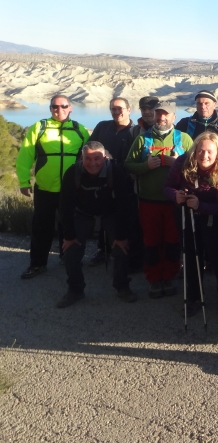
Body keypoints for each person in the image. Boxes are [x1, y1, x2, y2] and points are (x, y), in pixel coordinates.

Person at [164, 132, 218, 320]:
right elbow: (167, 186)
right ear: (195, 150)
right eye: (201, 151)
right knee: (190, 255)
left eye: (210, 152)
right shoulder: (182, 162)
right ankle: (194, 298)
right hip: (185, 214)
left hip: (212, 216)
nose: (205, 156)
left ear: (217, 153)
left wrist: (201, 205)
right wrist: (176, 196)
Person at [15, 94, 90, 279]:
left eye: (63, 106)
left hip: (72, 189)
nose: (59, 110)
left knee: (70, 225)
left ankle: (69, 258)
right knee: (41, 228)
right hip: (45, 187)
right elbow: (25, 155)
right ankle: (38, 264)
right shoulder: (39, 128)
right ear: (50, 109)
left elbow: (89, 159)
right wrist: (24, 181)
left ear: (70, 108)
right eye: (55, 107)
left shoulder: (80, 130)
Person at [125, 101, 193, 298]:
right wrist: (145, 166)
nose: (161, 118)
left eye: (166, 114)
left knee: (172, 241)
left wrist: (178, 164)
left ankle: (169, 277)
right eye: (158, 114)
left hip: (175, 201)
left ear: (173, 117)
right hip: (149, 200)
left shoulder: (184, 139)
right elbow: (128, 164)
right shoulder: (142, 139)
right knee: (151, 241)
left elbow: (196, 168)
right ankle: (154, 279)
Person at [56, 142, 136, 307]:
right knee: (70, 252)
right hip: (83, 213)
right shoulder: (73, 172)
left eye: (97, 158)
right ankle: (75, 290)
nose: (93, 163)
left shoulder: (115, 171)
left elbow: (124, 204)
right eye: (88, 159)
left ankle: (122, 287)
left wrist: (121, 236)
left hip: (110, 212)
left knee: (121, 249)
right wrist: (69, 236)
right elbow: (65, 206)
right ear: (82, 158)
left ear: (104, 158)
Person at [89, 97, 139, 269]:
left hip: (125, 181)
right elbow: (90, 146)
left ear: (129, 110)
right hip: (103, 179)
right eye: (113, 109)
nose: (117, 112)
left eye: (120, 108)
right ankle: (103, 250)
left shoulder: (135, 131)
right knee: (104, 215)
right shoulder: (102, 127)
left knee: (126, 216)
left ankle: (125, 251)